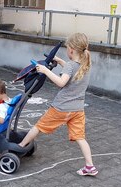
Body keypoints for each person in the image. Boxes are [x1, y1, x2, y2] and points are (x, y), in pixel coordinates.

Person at [18, 33, 98, 176]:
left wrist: (45, 70)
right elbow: (72, 70)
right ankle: (90, 166)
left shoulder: (70, 67)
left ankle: (20, 146)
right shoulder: (86, 65)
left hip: (61, 108)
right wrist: (59, 60)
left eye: (67, 48)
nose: (67, 51)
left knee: (39, 126)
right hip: (77, 110)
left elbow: (62, 82)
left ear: (72, 50)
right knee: (80, 137)